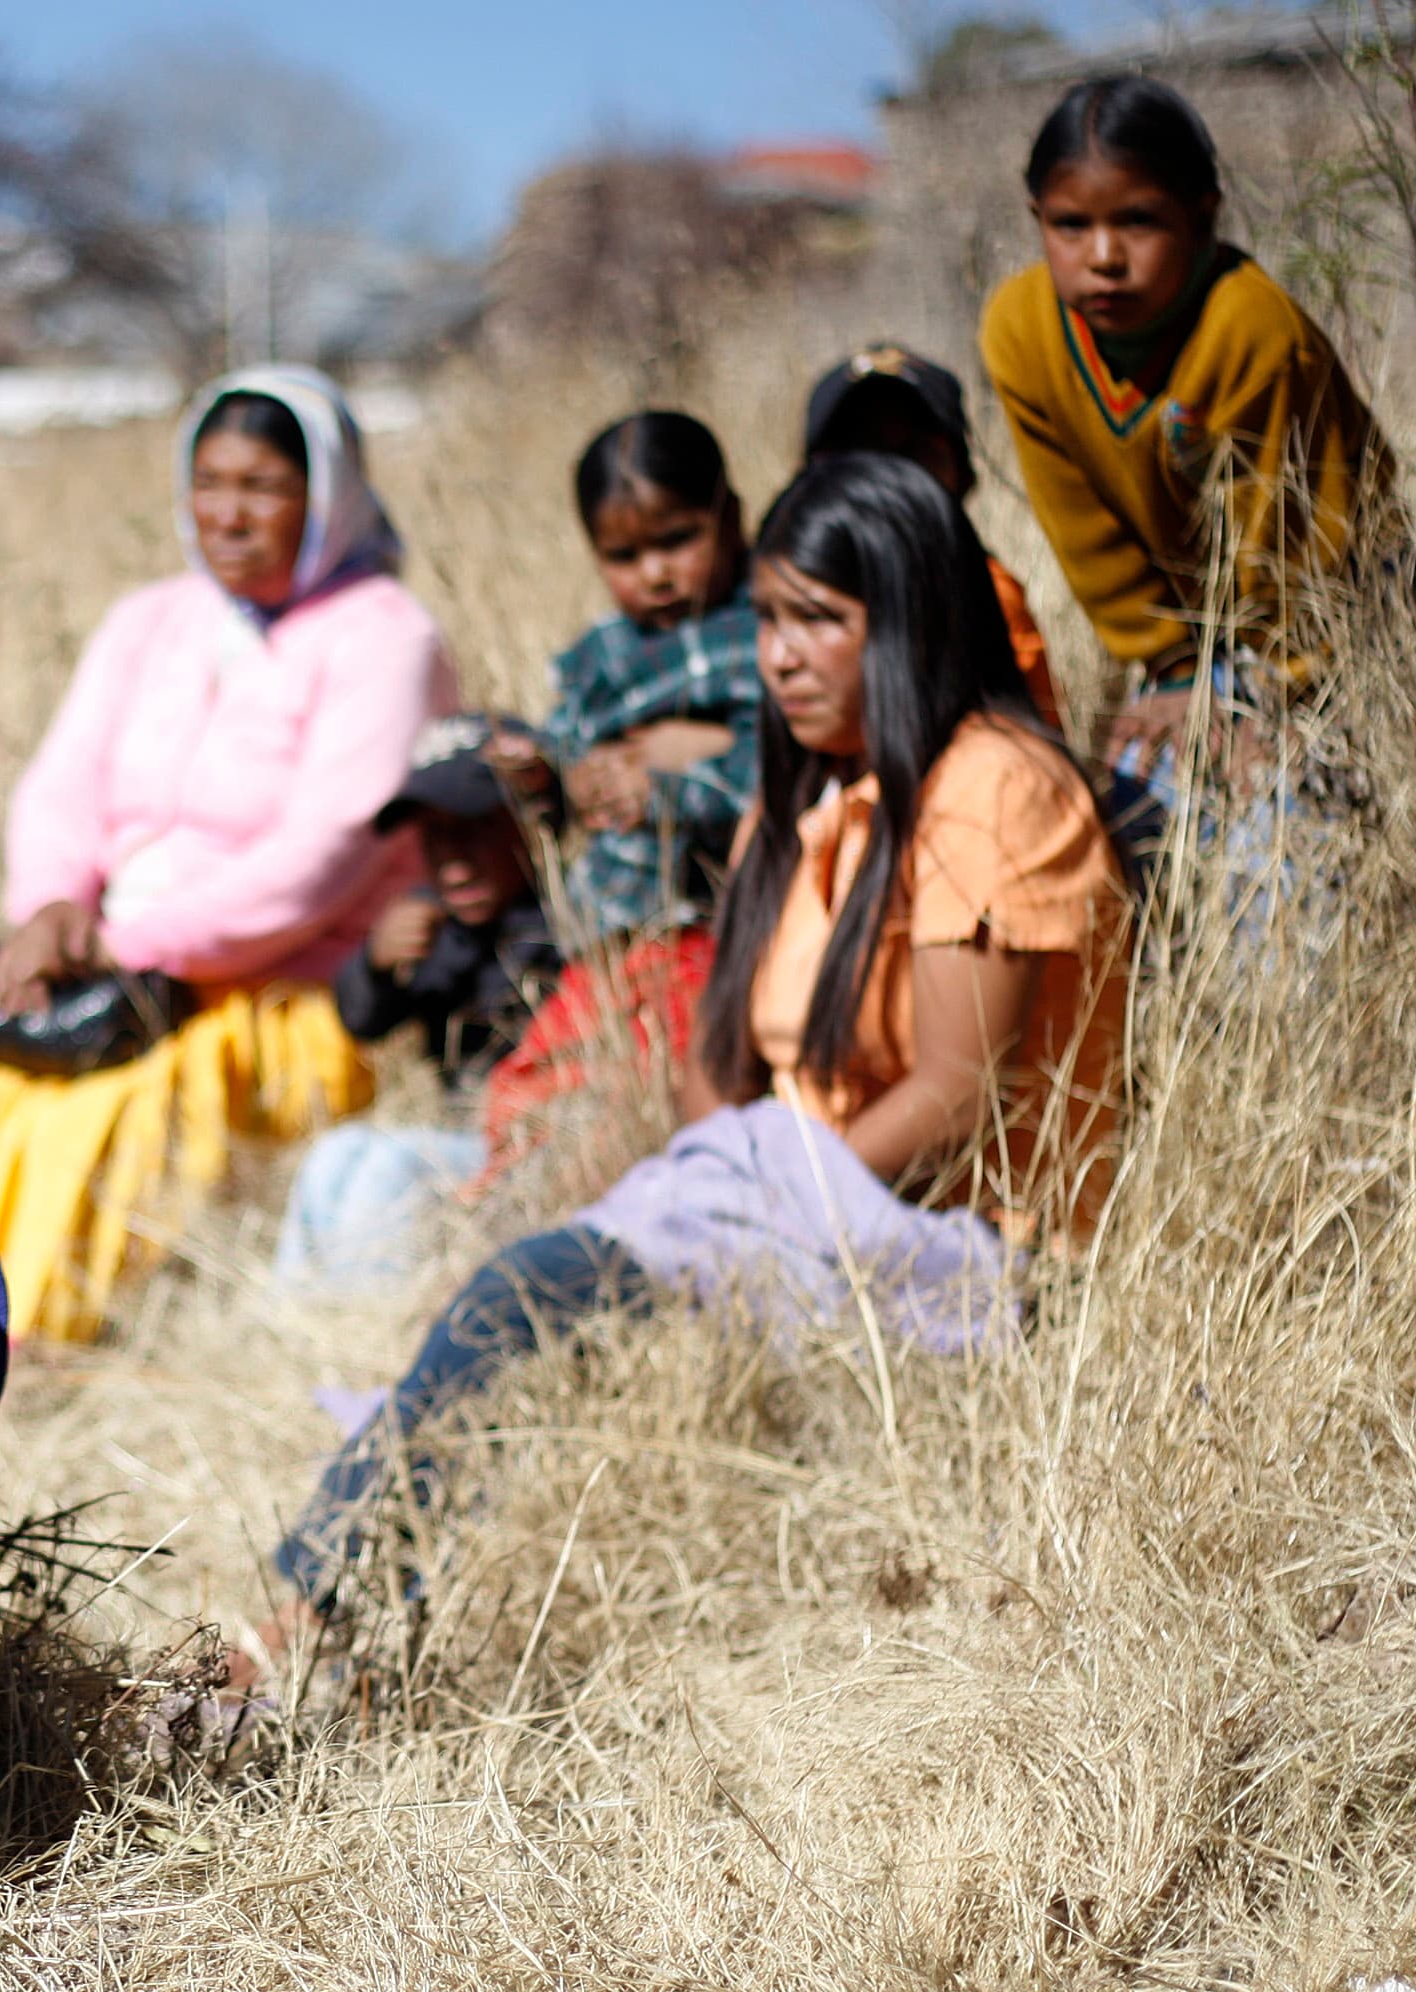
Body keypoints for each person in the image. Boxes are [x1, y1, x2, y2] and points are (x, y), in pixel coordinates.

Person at [259, 452, 1132, 1642]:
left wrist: (747, 1194)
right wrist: (720, 1159)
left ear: (912, 618)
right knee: (519, 1314)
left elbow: (954, 1093)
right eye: (768, 618)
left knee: (528, 1294)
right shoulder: (816, 785)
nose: (778, 655)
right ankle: (336, 1625)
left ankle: (297, 1633)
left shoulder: (993, 787)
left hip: (962, 1237)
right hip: (799, 1194)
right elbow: (725, 1049)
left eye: (819, 621)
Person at [0, 366, 455, 1342]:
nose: (229, 513)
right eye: (210, 482)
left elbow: (323, 855)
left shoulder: (388, 638)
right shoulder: (151, 621)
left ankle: (21, 1348)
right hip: (106, 977)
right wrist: (48, 910)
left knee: (96, 1128)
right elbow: (64, 784)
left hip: (274, 995)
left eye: (262, 488)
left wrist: (127, 942)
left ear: (325, 497)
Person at [977, 74, 1397, 863]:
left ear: (1204, 215)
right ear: (1037, 221)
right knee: (1136, 825)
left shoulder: (1251, 330)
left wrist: (1279, 703)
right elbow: (1082, 526)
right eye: (1071, 225)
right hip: (1181, 632)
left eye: (1138, 221)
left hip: (1337, 620)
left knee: (1279, 831)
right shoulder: (1020, 330)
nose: (1103, 257)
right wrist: (1171, 672)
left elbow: (1301, 541)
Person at [271, 714, 565, 1292]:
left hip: (535, 1150)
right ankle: (296, 1326)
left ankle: (368, 1332)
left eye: (474, 829)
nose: (455, 860)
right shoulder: (433, 925)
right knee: (337, 1151)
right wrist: (377, 967)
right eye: (435, 838)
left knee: (395, 1168)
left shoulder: (568, 920)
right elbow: (361, 1019)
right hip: (461, 1136)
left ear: (530, 826)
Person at [543, 411, 762, 958]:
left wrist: (683, 772)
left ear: (731, 518)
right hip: (615, 923)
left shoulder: (768, 624)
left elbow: (792, 763)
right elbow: (563, 744)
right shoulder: (604, 652)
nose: (655, 575)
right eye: (624, 557)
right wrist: (569, 779)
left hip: (739, 913)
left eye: (677, 540)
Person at [801, 342, 1065, 727]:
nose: (886, 479)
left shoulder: (989, 597)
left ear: (963, 476)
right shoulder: (787, 589)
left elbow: (1029, 741)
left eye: (914, 455)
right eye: (857, 455)